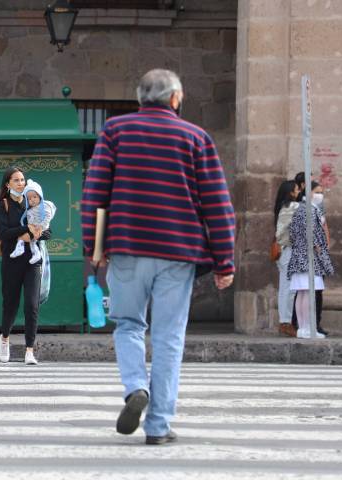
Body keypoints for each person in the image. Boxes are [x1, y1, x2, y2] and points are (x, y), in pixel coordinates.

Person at [81, 69, 235, 445]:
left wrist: (95, 249)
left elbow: (95, 194)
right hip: (178, 253)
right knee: (169, 337)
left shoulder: (115, 131)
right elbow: (217, 204)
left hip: (127, 248)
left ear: (140, 99)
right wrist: (224, 261)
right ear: (176, 98)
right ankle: (158, 426)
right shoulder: (196, 137)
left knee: (128, 325)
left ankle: (136, 386)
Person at [0, 168, 51, 366]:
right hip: (11, 260)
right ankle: (5, 338)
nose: (21, 183)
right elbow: (2, 233)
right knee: (11, 304)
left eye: (22, 180)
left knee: (32, 305)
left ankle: (29, 351)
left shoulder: (32, 201)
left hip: (33, 261)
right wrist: (25, 230)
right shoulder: (3, 204)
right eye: (16, 180)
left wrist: (36, 234)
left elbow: (47, 230)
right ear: (7, 184)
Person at [287, 181, 334, 339]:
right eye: (317, 192)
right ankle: (306, 328)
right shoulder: (309, 210)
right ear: (309, 192)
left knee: (303, 293)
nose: (320, 195)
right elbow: (309, 232)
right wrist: (317, 245)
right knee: (307, 293)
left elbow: (293, 232)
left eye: (321, 192)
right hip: (308, 259)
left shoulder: (302, 208)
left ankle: (303, 328)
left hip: (300, 257)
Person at [9, 179, 56, 265]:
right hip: (17, 258)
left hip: (40, 230)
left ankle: (34, 253)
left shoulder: (44, 206)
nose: (32, 200)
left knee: (30, 242)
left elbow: (48, 230)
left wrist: (38, 229)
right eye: (29, 198)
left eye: (35, 197)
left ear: (40, 196)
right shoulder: (28, 210)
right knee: (27, 242)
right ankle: (22, 250)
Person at [274, 180, 299, 336]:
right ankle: (285, 322)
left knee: (285, 288)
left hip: (284, 252)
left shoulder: (283, 207)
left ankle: (284, 321)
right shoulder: (292, 207)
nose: (299, 192)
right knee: (289, 288)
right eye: (296, 189)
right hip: (287, 251)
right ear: (290, 192)